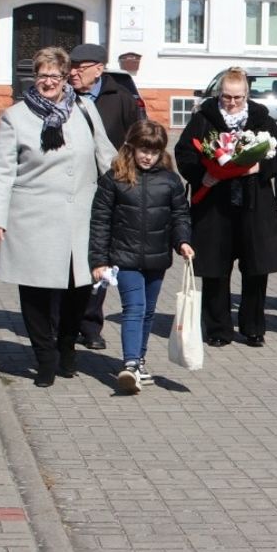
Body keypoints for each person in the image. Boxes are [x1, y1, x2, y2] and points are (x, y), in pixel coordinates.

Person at [0, 47, 116, 387]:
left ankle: (67, 348)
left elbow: (107, 157)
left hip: (81, 217)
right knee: (36, 295)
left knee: (79, 290)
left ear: (64, 78)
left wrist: (139, 186)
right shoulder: (16, 116)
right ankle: (44, 358)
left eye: (54, 76)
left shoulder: (84, 109)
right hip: (33, 218)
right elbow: (1, 172)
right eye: (41, 75)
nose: (47, 82)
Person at [175, 67, 277, 348]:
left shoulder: (260, 118)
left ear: (247, 96)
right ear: (219, 94)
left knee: (254, 269)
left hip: (254, 205)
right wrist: (203, 175)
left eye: (238, 98)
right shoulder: (204, 118)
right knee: (216, 269)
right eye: (226, 97)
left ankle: (253, 327)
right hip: (215, 206)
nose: (232, 103)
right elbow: (184, 152)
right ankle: (218, 329)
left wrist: (258, 167)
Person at [89, 120, 194, 393]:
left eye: (154, 151)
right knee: (134, 308)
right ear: (131, 148)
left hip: (157, 258)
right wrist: (99, 261)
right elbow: (100, 221)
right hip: (124, 257)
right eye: (143, 150)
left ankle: (140, 361)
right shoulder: (115, 178)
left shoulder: (171, 180)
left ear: (161, 153)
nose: (148, 156)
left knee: (147, 311)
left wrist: (183, 241)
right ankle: (131, 364)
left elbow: (180, 215)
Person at [69, 43, 141, 351]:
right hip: (72, 188)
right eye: (69, 68)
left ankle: (90, 324)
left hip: (108, 187)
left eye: (79, 68)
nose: (72, 73)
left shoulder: (121, 99)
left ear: (98, 69)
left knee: (101, 256)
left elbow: (136, 140)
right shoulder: (64, 99)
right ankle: (67, 322)